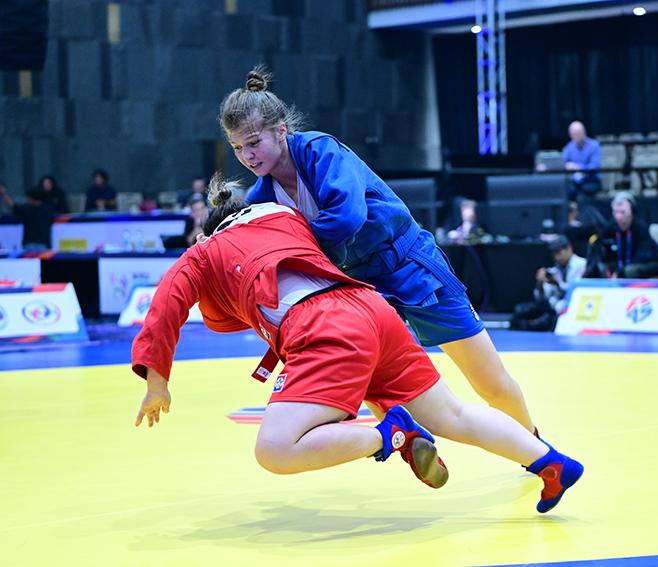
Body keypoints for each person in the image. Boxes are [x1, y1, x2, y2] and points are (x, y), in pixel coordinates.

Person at [131, 183, 584, 514]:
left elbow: (167, 305)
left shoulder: (204, 252)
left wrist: (157, 382)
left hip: (322, 327)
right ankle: (550, 462)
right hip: (371, 308)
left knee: (275, 449)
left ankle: (392, 434)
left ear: (206, 233)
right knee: (453, 414)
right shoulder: (286, 216)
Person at [218, 65, 539, 434]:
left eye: (254, 142)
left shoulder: (321, 152)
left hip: (410, 265)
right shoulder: (261, 197)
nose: (247, 156)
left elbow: (347, 217)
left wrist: (296, 246)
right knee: (377, 385)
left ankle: (535, 444)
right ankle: (412, 447)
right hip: (361, 287)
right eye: (237, 147)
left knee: (490, 383)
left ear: (281, 130)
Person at [511, 236, 585, 332]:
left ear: (569, 249)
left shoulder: (581, 265)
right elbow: (540, 298)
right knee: (519, 311)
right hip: (552, 306)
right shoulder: (554, 270)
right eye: (553, 253)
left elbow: (576, 292)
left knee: (551, 318)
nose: (556, 257)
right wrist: (540, 283)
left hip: (571, 307)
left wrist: (558, 284)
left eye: (558, 252)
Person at [596, 192, 658, 278]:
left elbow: (643, 256)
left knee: (630, 270)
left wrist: (620, 272)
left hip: (653, 263)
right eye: (615, 212)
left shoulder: (640, 227)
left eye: (622, 212)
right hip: (627, 267)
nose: (618, 217)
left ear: (632, 212)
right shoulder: (611, 227)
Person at [0, 181, 55, 251]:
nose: (27, 200)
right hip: (44, 245)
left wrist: (4, 194)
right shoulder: (48, 210)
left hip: (29, 245)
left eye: (28, 198)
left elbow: (13, 206)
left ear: (32, 198)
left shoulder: (26, 209)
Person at [562, 121, 601, 202]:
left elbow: (594, 166)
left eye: (578, 133)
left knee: (581, 196)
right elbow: (562, 162)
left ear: (584, 132)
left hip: (591, 180)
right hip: (575, 182)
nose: (576, 136)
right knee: (564, 191)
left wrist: (578, 167)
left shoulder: (594, 145)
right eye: (573, 134)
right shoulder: (569, 147)